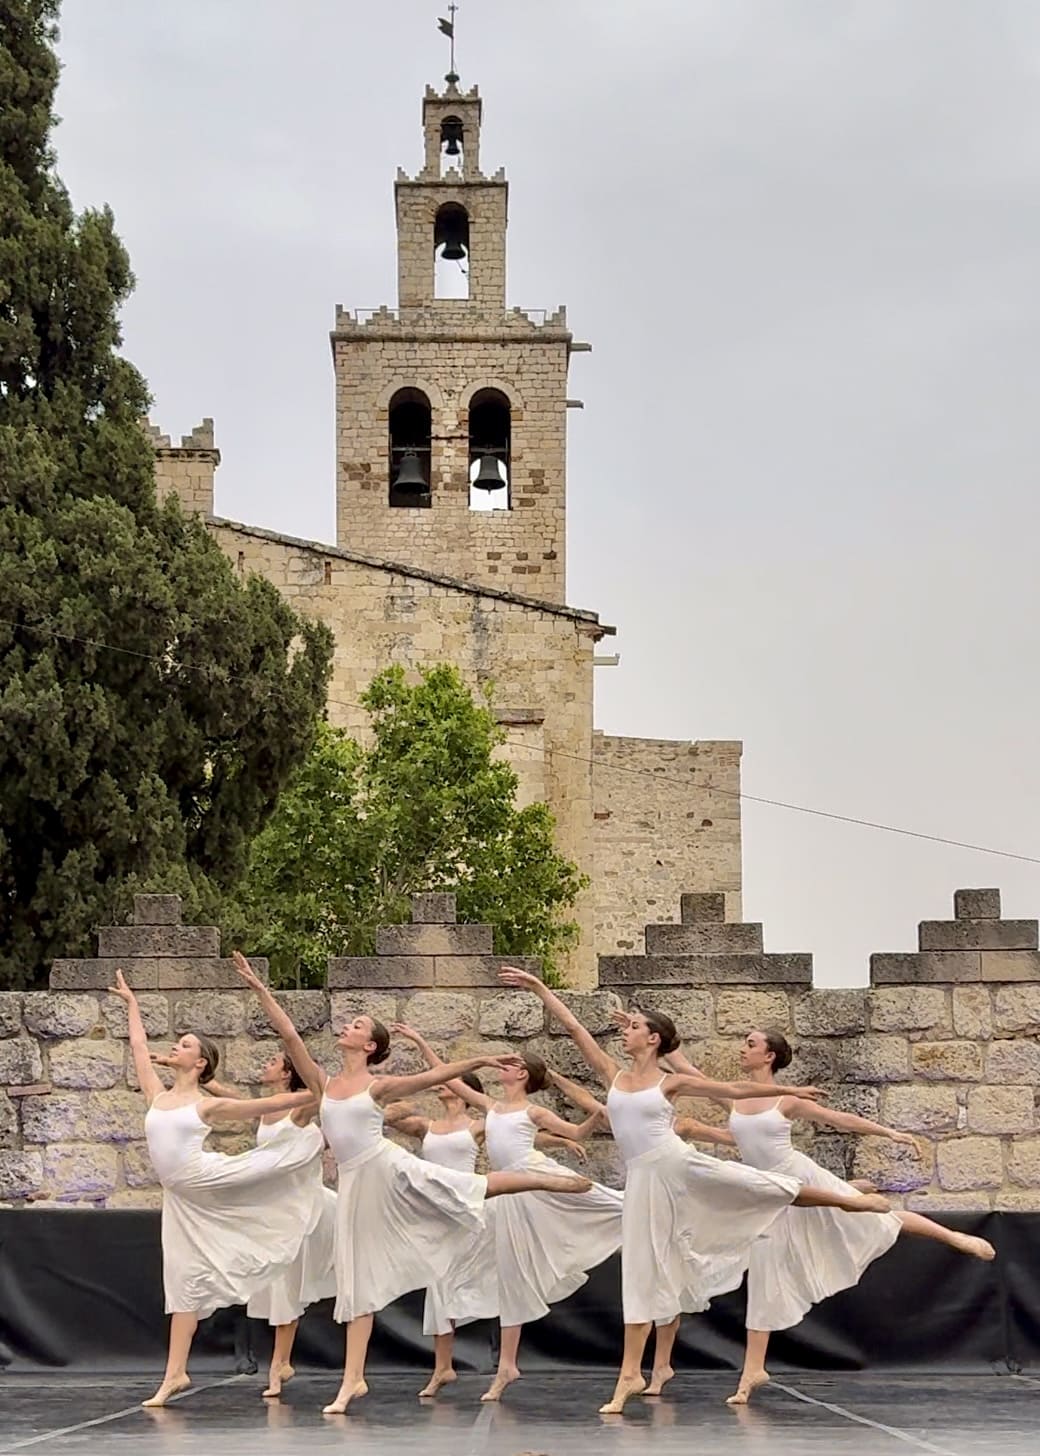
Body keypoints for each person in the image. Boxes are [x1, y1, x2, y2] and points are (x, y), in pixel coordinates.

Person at [498, 967, 893, 1414]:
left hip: (677, 1165)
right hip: (643, 1180)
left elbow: (731, 1088)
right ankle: (631, 1373)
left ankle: (848, 1200)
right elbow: (573, 1028)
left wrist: (788, 1088)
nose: (624, 1034)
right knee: (641, 1272)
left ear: (653, 1040)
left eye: (634, 1028)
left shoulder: (671, 1082)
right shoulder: (612, 1076)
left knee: (763, 1186)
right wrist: (540, 988)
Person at [230, 952, 592, 1415]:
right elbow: (290, 1036)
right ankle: (353, 1380)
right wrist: (260, 990)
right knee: (357, 1281)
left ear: (370, 1046)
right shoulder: (323, 1084)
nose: (348, 1027)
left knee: (463, 1187)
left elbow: (433, 1076)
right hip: (354, 1185)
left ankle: (544, 1181)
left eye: (358, 1025)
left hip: (385, 1169)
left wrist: (478, 1057)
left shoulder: (377, 1087)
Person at [672, 1028, 997, 1406]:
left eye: (751, 1045)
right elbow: (685, 1069)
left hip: (799, 1177)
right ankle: (753, 1370)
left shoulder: (786, 1101)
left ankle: (953, 1237)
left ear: (769, 1057)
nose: (742, 1050)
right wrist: (658, 1042)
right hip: (768, 1191)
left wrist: (889, 1132)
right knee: (765, 1270)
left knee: (879, 1221)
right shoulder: (738, 1098)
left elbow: (838, 1119)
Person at [109, 970, 319, 1410]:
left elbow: (267, 1104)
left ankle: (281, 1211)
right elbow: (139, 1049)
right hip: (181, 1198)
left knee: (266, 1167)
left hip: (208, 1177)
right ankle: (175, 1374)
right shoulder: (156, 1094)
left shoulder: (207, 1104)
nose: (177, 1047)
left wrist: (319, 1096)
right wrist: (131, 1002)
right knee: (182, 1281)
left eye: (186, 1044)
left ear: (201, 1062)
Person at [394, 1022, 621, 1403]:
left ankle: (641, 1208)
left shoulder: (533, 1112)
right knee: (509, 1275)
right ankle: (505, 1366)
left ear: (522, 1074)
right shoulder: (491, 1107)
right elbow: (447, 1073)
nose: (501, 1067)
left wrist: (596, 1116)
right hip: (503, 1193)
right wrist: (420, 1040)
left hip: (533, 1177)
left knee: (603, 1202)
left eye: (510, 1064)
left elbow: (576, 1133)